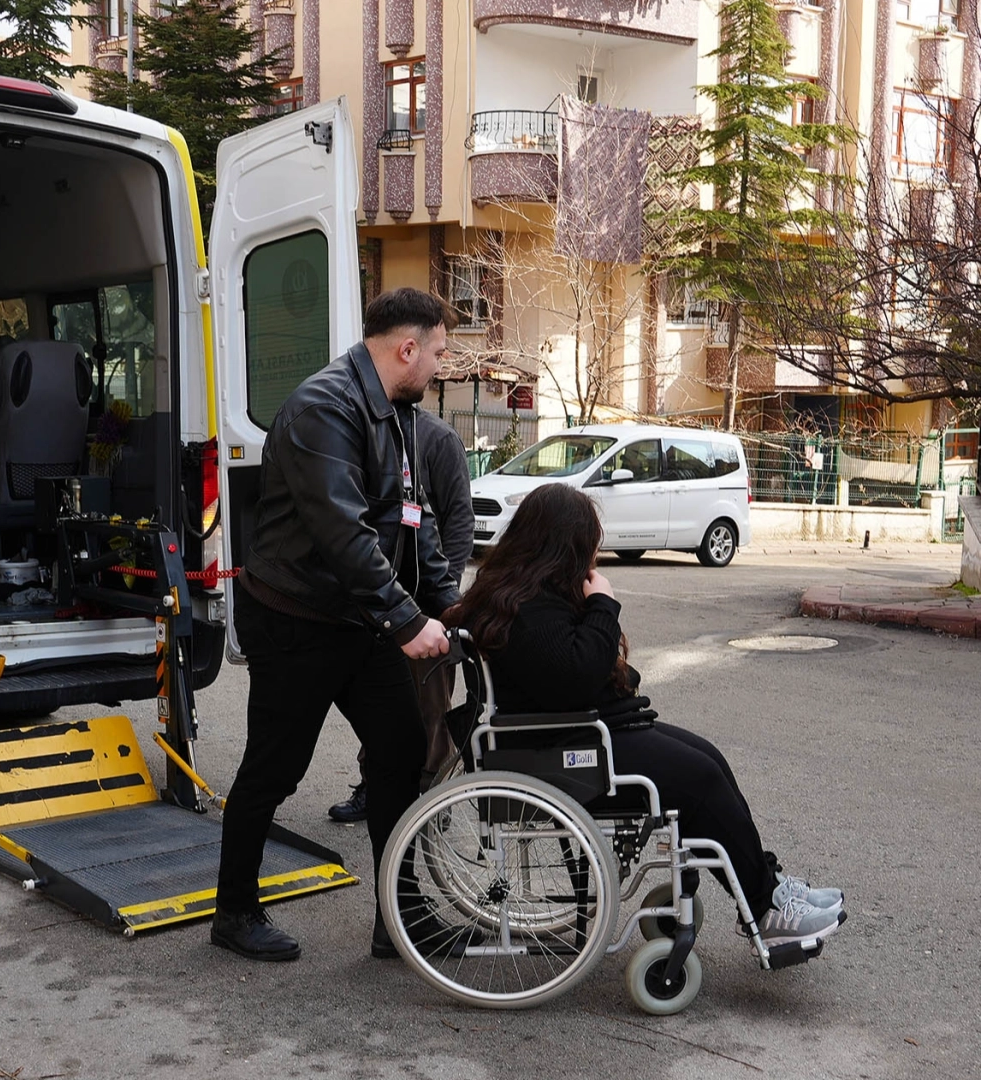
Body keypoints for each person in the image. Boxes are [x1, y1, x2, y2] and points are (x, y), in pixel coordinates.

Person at [443, 483, 846, 947]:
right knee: (700, 779)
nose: (593, 556)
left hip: (580, 734)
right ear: (564, 548)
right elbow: (579, 673)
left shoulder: (523, 596)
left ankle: (766, 889)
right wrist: (602, 604)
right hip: (569, 747)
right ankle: (764, 906)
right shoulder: (530, 610)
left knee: (709, 759)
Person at [211, 287, 455, 963]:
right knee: (274, 768)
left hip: (357, 619)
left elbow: (414, 523)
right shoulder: (324, 408)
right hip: (295, 618)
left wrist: (452, 607)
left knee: (400, 753)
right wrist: (407, 622)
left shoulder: (398, 412)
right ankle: (234, 912)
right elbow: (345, 536)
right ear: (407, 348)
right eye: (438, 354)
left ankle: (399, 920)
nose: (441, 367)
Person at [328, 405, 474, 822]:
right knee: (379, 701)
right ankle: (375, 785)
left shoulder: (438, 438)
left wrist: (444, 596)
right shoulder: (365, 430)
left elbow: (459, 521)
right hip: (377, 599)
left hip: (427, 604)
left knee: (431, 708)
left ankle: (432, 795)